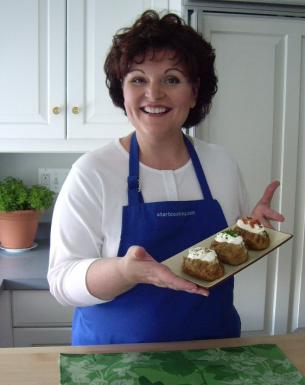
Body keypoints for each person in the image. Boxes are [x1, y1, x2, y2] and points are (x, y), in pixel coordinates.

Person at [48, 10, 284, 345]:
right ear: (123, 90)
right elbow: (61, 282)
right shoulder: (93, 173)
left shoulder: (221, 164)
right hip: (116, 363)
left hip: (212, 352)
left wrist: (250, 237)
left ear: (194, 91)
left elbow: (224, 261)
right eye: (138, 79)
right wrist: (124, 272)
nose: (154, 94)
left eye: (172, 79)